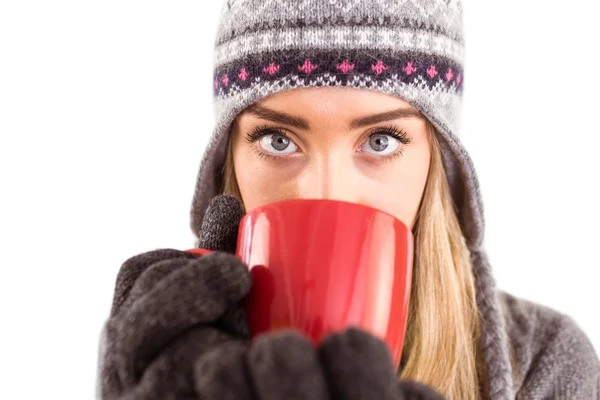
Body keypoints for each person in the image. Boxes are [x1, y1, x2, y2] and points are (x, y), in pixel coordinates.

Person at [98, 1, 600, 399]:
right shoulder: (170, 344)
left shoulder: (542, 362)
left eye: (380, 140)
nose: (326, 193)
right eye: (278, 140)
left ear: (436, 159)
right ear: (229, 156)